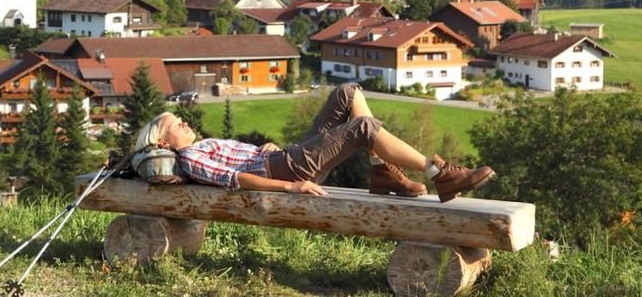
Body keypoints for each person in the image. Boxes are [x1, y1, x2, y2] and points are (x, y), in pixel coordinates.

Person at [134, 83, 494, 202]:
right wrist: (292, 185)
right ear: (165, 141)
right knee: (364, 128)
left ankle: (383, 173)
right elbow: (237, 180)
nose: (184, 122)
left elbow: (240, 163)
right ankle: (440, 173)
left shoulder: (197, 147)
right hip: (288, 169)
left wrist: (264, 149)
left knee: (347, 92)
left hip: (284, 158)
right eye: (175, 124)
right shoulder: (190, 157)